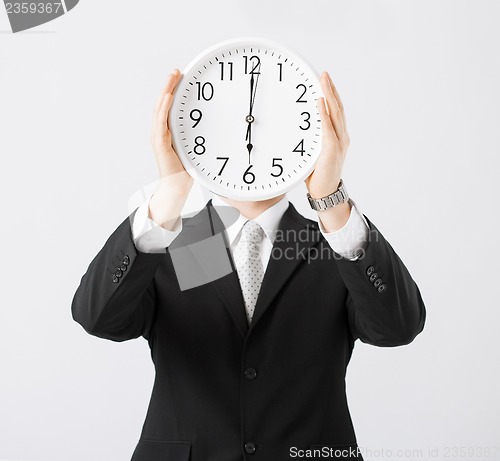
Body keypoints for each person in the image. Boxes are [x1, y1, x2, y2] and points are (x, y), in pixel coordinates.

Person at [72, 69, 426, 461]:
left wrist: (331, 200)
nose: (250, 134)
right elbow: (97, 318)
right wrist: (168, 197)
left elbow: (397, 328)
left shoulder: (335, 243)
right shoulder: (165, 240)